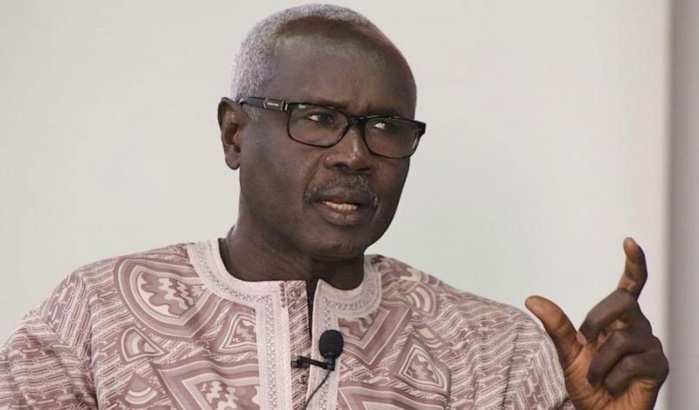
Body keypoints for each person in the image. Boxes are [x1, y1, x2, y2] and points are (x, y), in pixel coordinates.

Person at [0, 4, 668, 409]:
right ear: (234, 133)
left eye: (385, 127)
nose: (355, 155)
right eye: (317, 117)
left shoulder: (492, 351)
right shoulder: (99, 314)